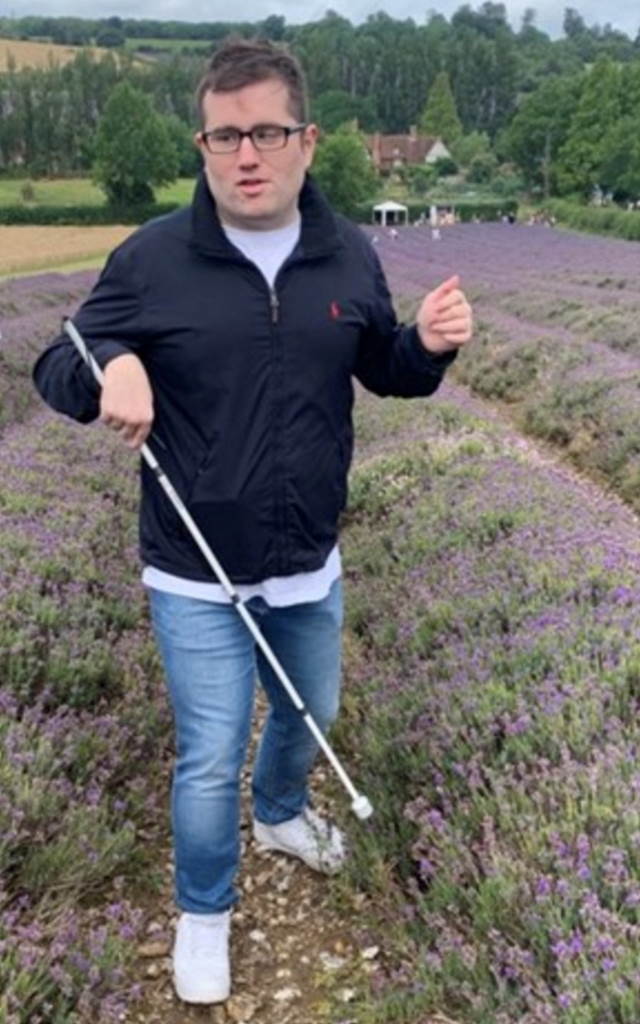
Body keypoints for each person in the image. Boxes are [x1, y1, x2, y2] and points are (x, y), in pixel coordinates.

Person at [32, 37, 472, 1007]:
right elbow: (56, 361)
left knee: (311, 714)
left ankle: (279, 814)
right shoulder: (150, 259)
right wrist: (111, 368)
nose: (246, 154)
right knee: (208, 751)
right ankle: (203, 911)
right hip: (193, 570)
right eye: (225, 135)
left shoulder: (347, 251)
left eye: (266, 132)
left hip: (307, 560)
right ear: (202, 143)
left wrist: (425, 348)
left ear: (305, 141)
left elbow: (382, 368)